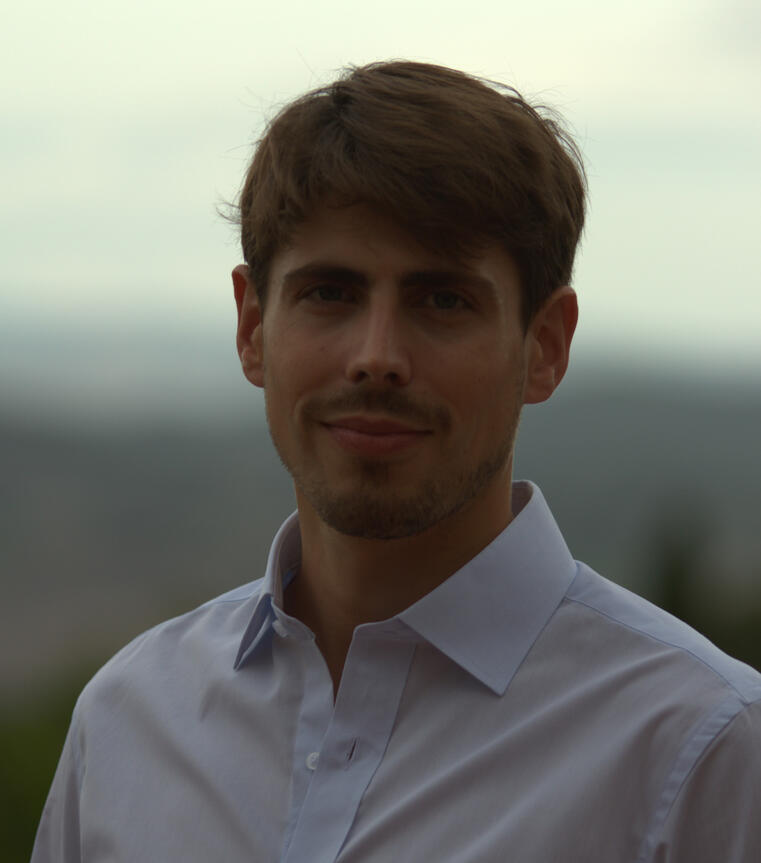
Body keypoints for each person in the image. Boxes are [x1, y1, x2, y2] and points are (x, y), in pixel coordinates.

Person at [33, 61, 760, 862]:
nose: (375, 357)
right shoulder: (128, 721)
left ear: (545, 346)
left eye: (442, 300)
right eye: (330, 293)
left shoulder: (700, 750)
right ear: (251, 327)